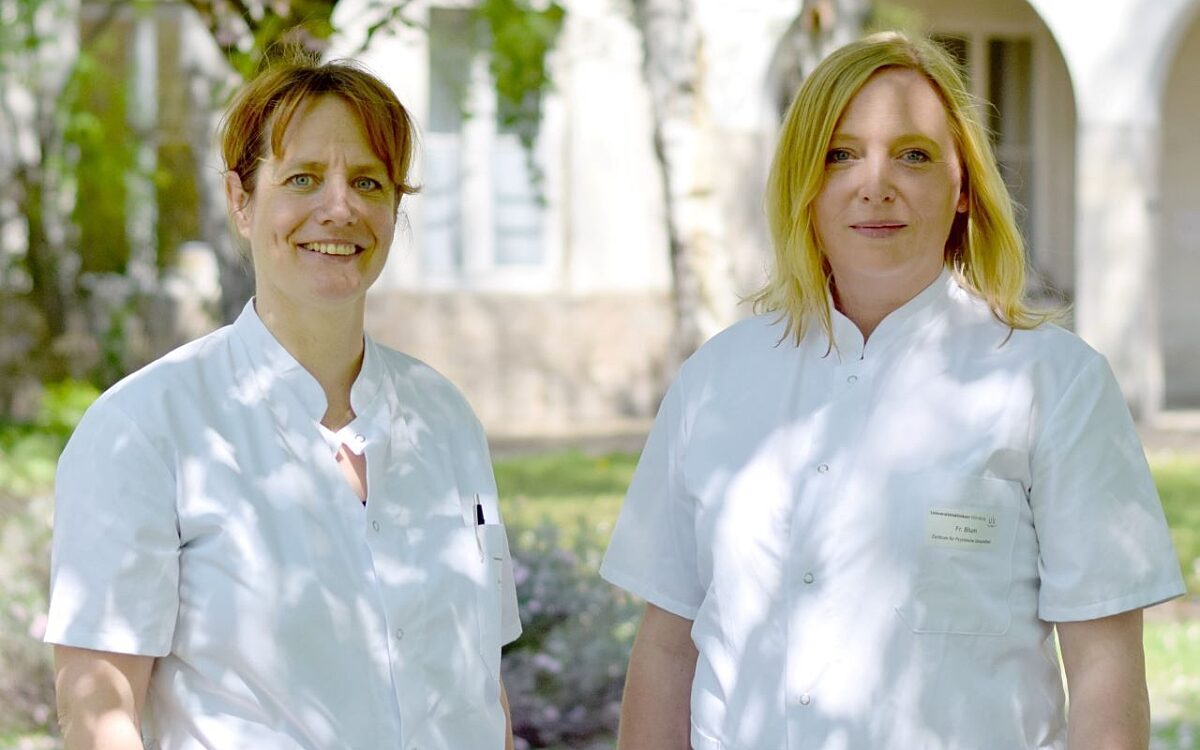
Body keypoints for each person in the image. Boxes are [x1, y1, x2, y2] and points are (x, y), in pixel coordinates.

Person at [600, 31, 1186, 750]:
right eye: (840, 154)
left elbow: (1103, 667)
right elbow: (666, 647)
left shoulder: (1052, 382)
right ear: (803, 185)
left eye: (913, 154)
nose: (874, 184)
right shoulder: (715, 381)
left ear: (964, 183)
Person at [45, 53, 521, 750]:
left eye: (368, 181)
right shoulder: (144, 430)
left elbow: (480, 691)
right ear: (241, 201)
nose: (341, 208)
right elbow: (99, 715)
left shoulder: (443, 418)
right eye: (303, 178)